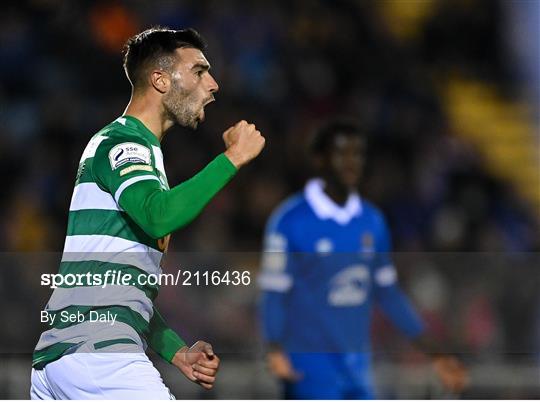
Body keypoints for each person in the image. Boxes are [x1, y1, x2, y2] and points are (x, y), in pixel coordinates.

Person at [31, 26, 265, 399]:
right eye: (200, 71)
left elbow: (120, 287)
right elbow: (159, 215)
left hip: (71, 357)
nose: (214, 84)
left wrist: (175, 351)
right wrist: (232, 159)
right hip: (97, 356)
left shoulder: (140, 156)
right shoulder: (123, 143)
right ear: (159, 79)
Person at [259, 121, 466, 399]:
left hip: (357, 368)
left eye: (357, 154)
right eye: (341, 153)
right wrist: (274, 347)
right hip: (309, 368)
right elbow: (274, 292)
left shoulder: (372, 221)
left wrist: (435, 351)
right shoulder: (290, 220)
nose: (350, 162)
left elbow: (388, 294)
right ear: (320, 159)